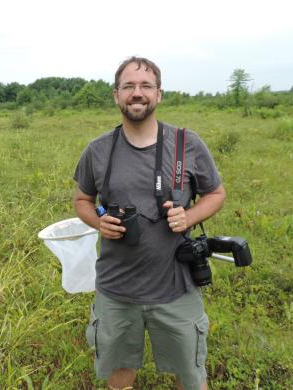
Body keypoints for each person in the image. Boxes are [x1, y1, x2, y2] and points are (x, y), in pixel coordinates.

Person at [73, 57, 226, 390]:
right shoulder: (98, 151)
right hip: (116, 289)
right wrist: (101, 223)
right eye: (128, 86)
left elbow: (216, 193)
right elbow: (82, 201)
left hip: (177, 287)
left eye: (146, 86)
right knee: (119, 375)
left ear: (159, 94)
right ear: (116, 95)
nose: (137, 93)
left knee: (191, 375)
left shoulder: (188, 144)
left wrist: (190, 215)